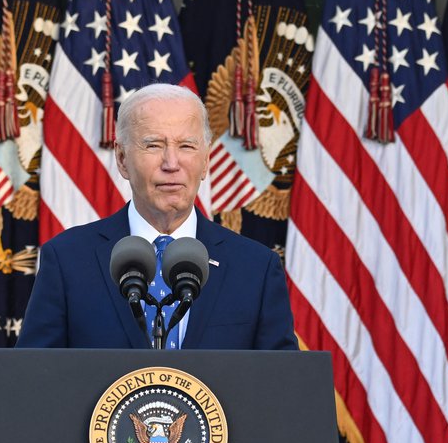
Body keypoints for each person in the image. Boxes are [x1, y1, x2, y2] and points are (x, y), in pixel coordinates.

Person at [18, 83, 297, 350]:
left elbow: (282, 387)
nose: (171, 163)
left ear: (206, 161)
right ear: (122, 159)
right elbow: (34, 381)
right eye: (153, 145)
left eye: (186, 146)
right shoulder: (67, 260)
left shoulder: (256, 268)